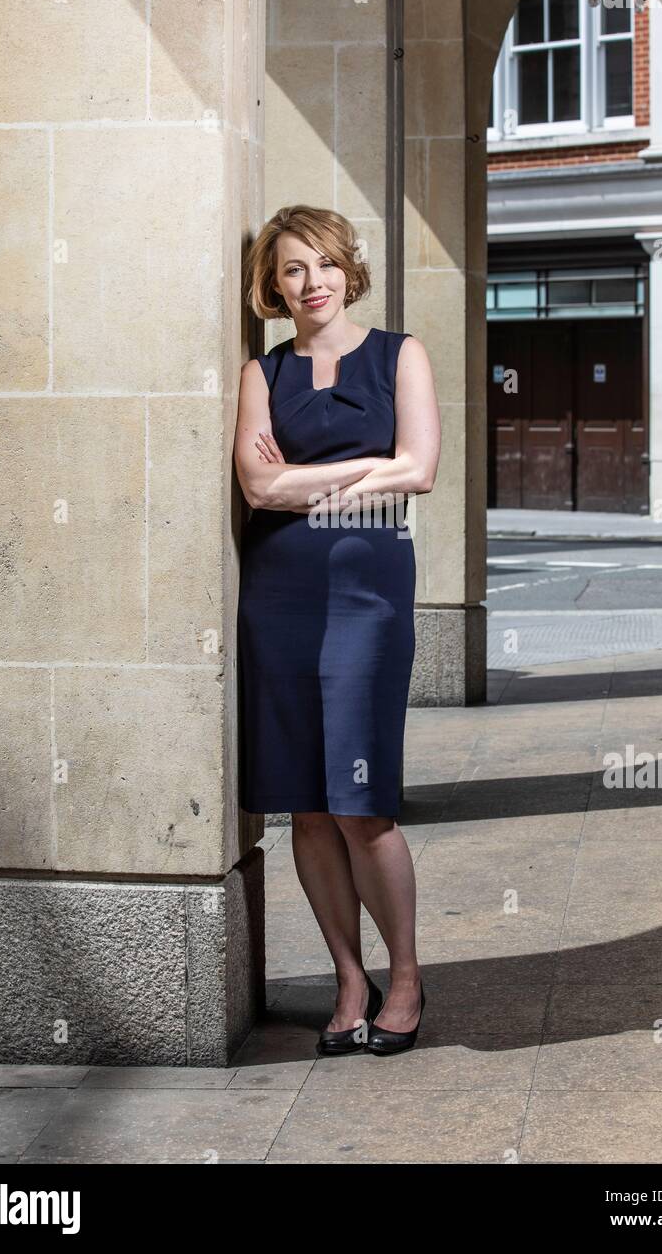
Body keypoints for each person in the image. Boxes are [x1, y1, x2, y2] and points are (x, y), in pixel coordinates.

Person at [233, 205, 441, 1056]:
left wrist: (312, 478)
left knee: (364, 807)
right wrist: (369, 466)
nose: (310, 281)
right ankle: (348, 976)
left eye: (321, 263)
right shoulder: (262, 373)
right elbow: (255, 488)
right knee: (308, 811)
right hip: (277, 595)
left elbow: (420, 470)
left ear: (346, 270)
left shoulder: (402, 355)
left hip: (368, 594)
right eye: (291, 269)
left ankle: (406, 978)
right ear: (273, 286)